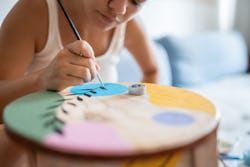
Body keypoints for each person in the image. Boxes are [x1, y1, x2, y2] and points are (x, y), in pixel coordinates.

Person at [0, 0, 159, 166]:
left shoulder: (129, 25)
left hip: (101, 143)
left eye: (136, 2)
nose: (119, 9)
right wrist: (40, 80)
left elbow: (152, 71)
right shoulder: (34, 10)